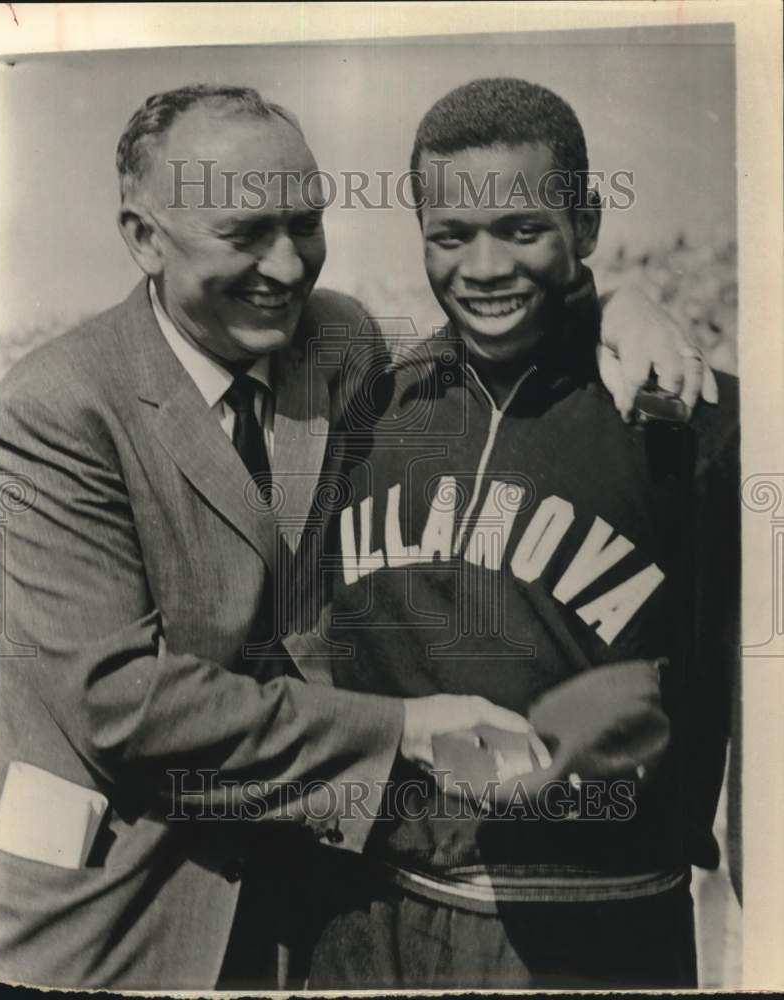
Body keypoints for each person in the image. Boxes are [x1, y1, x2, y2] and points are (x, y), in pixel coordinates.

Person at [0, 83, 716, 990]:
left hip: (309, 891)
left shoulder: (338, 342)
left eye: (305, 225)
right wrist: (404, 728)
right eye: (246, 234)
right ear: (143, 237)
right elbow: (119, 702)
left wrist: (614, 305)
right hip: (121, 893)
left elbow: (505, 310)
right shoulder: (58, 404)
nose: (288, 268)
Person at [302, 77, 739, 989]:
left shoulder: (694, 425)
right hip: (376, 909)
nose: (485, 267)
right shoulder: (376, 410)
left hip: (598, 920)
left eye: (523, 229)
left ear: (584, 227)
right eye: (451, 237)